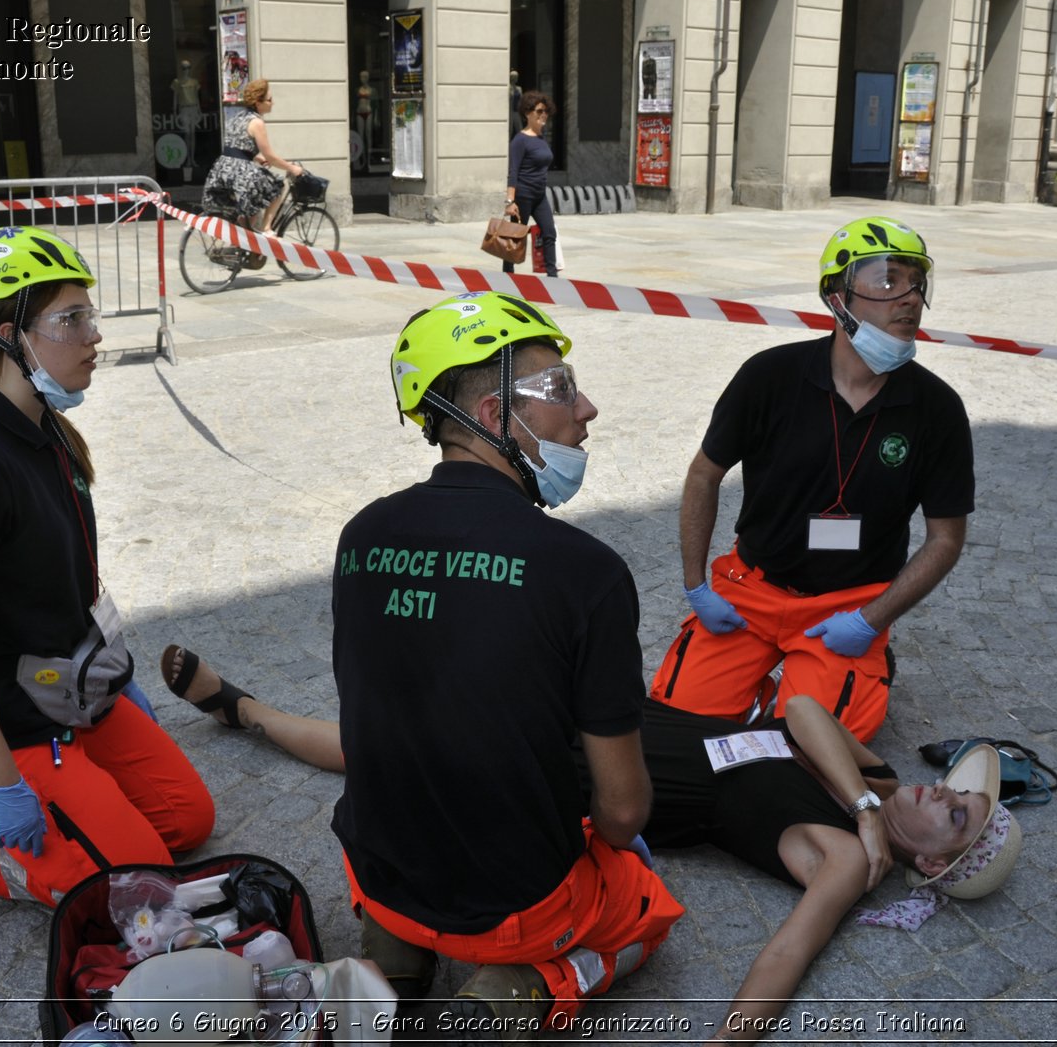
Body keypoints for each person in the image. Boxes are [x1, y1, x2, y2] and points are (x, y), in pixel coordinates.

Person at [165, 292, 683, 1031]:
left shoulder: (361, 536)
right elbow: (625, 807)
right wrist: (606, 838)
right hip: (518, 908)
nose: (587, 407)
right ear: (498, 417)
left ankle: (398, 953)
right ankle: (523, 989)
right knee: (649, 910)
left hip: (383, 877)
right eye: (562, 388)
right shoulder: (587, 571)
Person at [155, 659, 1021, 1043]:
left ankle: (242, 707)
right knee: (407, 719)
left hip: (589, 771)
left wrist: (726, 1043)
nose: (941, 791)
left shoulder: (840, 853)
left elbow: (790, 949)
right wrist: (872, 798)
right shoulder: (861, 775)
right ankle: (247, 709)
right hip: (599, 706)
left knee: (383, 746)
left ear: (935, 866)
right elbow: (798, 707)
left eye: (954, 816)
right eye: (956, 788)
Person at [0, 226, 215, 906]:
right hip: (9, 724)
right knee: (135, 886)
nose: (93, 335)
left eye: (89, 315)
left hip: (73, 698)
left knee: (187, 819)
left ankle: (78, 792)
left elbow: (67, 583)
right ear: (12, 335)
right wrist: (1, 778)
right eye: (71, 319)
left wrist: (112, 683)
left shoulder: (49, 431)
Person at [649, 216, 974, 744]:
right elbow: (704, 474)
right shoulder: (769, 377)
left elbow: (946, 538)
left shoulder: (936, 409)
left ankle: (860, 661)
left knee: (814, 753)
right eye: (888, 280)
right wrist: (696, 586)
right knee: (674, 728)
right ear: (837, 296)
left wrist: (872, 619)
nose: (910, 298)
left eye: (917, 281)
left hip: (849, 604)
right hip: (751, 589)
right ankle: (754, 687)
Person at [202, 78, 305, 263]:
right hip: (240, 171)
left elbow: (236, 146)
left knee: (252, 200)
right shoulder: (257, 122)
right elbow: (271, 156)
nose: (272, 103)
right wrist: (292, 168)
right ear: (258, 102)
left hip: (223, 169)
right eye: (269, 99)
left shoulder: (237, 117)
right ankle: (266, 229)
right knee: (277, 185)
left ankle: (246, 244)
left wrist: (256, 157)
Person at [504, 91, 559, 278]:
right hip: (523, 195)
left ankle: (553, 277)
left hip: (539, 195)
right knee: (515, 237)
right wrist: (510, 202)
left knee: (549, 232)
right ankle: (508, 275)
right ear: (528, 113)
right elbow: (513, 172)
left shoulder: (541, 139)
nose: (543, 115)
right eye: (539, 111)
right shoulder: (519, 140)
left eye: (546, 111)